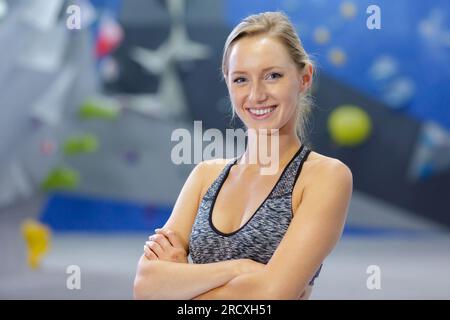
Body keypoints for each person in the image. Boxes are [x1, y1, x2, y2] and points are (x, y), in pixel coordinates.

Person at [133, 11, 353, 300]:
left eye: (273, 76)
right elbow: (145, 286)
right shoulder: (205, 175)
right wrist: (239, 269)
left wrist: (179, 283)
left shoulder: (325, 177)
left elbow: (270, 296)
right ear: (227, 83)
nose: (256, 94)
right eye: (241, 80)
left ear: (304, 78)